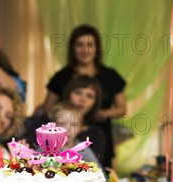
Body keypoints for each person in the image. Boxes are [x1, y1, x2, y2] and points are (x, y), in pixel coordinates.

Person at [41, 25, 126, 168]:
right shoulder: (62, 76)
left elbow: (122, 108)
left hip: (99, 131)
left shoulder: (110, 76)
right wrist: (65, 120)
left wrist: (100, 113)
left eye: (90, 45)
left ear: (97, 48)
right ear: (72, 48)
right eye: (80, 45)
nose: (85, 50)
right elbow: (48, 108)